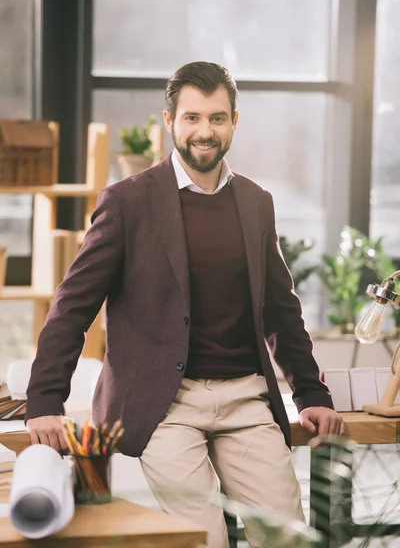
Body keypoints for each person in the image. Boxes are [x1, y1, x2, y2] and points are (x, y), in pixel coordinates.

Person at [25, 61, 343, 548]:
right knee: (203, 539)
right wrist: (45, 401)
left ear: (235, 121)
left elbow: (281, 309)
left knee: (289, 538)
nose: (205, 131)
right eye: (192, 117)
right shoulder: (127, 202)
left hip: (246, 400)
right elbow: (73, 306)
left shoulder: (257, 201)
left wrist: (311, 394)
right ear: (169, 121)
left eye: (217, 118)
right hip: (165, 405)